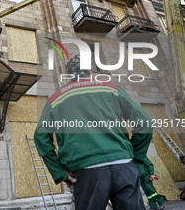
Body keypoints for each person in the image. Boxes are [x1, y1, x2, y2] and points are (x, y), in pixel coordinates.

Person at [34, 55, 153, 210]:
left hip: (86, 172)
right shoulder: (111, 88)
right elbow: (145, 122)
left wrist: (59, 172)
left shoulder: (57, 99)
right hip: (123, 167)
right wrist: (135, 156)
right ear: (89, 70)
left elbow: (41, 136)